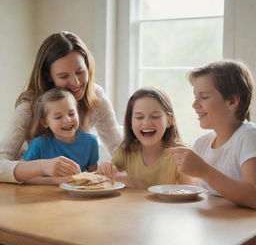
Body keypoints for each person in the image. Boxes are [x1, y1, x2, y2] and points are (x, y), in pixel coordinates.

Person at [0, 31, 122, 183]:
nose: (76, 83)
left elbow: (120, 150)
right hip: (33, 191)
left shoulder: (96, 98)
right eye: (64, 76)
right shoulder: (29, 107)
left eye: (80, 72)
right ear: (48, 77)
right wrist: (43, 166)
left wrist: (111, 166)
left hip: (73, 192)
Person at [170, 60, 256, 209]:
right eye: (195, 96)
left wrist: (204, 170)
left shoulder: (248, 136)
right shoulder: (201, 143)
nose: (194, 104)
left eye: (203, 97)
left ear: (232, 101)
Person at [97, 87, 193, 188]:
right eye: (139, 117)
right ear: (130, 122)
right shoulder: (126, 151)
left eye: (155, 116)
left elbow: (190, 194)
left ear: (169, 121)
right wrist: (106, 167)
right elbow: (107, 175)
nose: (146, 123)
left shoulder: (181, 155)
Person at [22, 88, 99, 185]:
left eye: (71, 114)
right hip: (43, 196)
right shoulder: (39, 144)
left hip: (76, 196)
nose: (67, 120)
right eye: (58, 117)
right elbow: (25, 178)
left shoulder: (91, 142)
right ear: (44, 122)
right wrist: (56, 181)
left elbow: (94, 175)